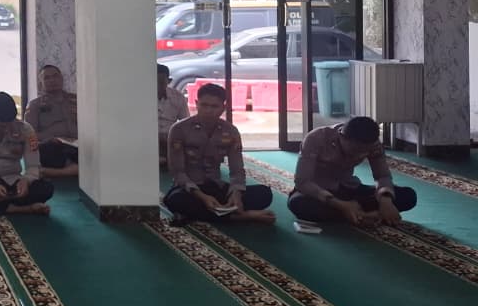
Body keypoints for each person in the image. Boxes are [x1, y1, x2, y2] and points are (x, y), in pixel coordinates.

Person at [163, 84, 275, 224]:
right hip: (189, 189)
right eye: (204, 105)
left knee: (264, 194)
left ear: (223, 107)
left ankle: (215, 212)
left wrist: (236, 194)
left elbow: (237, 170)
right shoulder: (179, 129)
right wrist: (203, 197)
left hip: (216, 186)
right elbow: (177, 172)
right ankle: (239, 216)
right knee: (175, 200)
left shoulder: (231, 131)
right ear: (196, 104)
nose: (208, 110)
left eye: (214, 106)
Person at [287, 117, 417, 226]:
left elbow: (382, 176)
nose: (359, 155)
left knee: (407, 196)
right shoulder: (316, 138)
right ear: (341, 136)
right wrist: (341, 205)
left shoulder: (373, 144)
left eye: (364, 152)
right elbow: (302, 182)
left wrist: (385, 200)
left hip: (349, 188)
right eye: (355, 150)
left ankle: (355, 214)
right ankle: (362, 215)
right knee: (298, 204)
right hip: (319, 192)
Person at [24, 64, 78, 176]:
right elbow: (29, 135)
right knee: (45, 149)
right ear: (40, 84)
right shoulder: (34, 105)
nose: (52, 80)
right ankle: (75, 168)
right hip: (53, 147)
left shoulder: (77, 100)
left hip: (78, 144)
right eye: (47, 78)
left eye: (55, 76)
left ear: (62, 79)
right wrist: (51, 139)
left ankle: (59, 171)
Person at [156, 65, 189, 167]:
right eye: (154, 82)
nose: (157, 86)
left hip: (170, 137)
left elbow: (186, 122)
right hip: (148, 137)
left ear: (169, 81)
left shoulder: (178, 97)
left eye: (161, 82)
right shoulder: (140, 96)